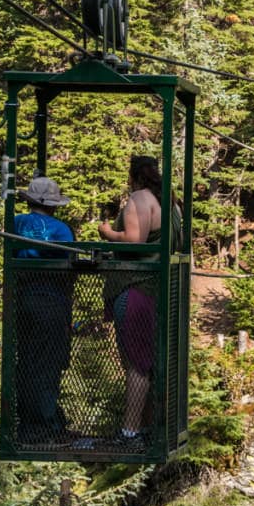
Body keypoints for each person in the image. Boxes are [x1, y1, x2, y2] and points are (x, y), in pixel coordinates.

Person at [98, 155, 168, 448]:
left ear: (134, 175)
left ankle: (130, 432)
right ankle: (143, 428)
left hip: (134, 288)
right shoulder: (166, 202)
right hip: (152, 291)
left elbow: (134, 239)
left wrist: (107, 233)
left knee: (136, 364)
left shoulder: (140, 198)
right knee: (144, 362)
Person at [13, 176, 75, 445]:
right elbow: (70, 263)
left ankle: (28, 422)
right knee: (48, 364)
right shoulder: (61, 231)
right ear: (53, 205)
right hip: (50, 301)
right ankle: (45, 425)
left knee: (27, 360)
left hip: (22, 300)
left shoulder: (15, 223)